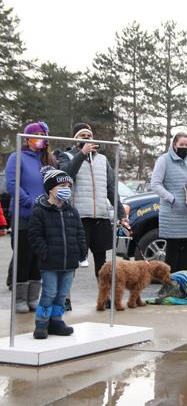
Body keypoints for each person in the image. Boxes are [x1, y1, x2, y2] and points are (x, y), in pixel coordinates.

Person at [58, 123, 128, 278]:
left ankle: (104, 298)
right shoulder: (66, 156)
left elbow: (111, 188)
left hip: (100, 216)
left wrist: (121, 213)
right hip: (78, 216)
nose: (88, 138)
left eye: (89, 136)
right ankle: (66, 299)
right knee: (72, 260)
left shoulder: (102, 159)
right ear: (75, 139)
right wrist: (82, 154)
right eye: (83, 136)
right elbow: (65, 176)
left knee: (101, 262)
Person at [28, 167, 87, 339]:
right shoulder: (40, 211)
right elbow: (35, 236)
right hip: (50, 263)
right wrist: (45, 253)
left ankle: (56, 320)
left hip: (69, 262)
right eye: (62, 186)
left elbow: (80, 233)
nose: (66, 189)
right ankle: (41, 323)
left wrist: (81, 250)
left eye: (69, 185)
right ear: (51, 188)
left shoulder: (72, 211)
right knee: (49, 293)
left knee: (62, 295)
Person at [4, 121, 55, 313]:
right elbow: (12, 184)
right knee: (23, 256)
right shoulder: (17, 157)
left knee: (38, 256)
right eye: (37, 135)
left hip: (44, 215)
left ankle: (34, 296)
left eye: (43, 135)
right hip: (25, 214)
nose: (40, 139)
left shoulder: (47, 159)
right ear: (27, 138)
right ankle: (19, 298)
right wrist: (30, 202)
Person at [150, 133, 187, 273]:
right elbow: (155, 184)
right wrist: (171, 198)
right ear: (174, 145)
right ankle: (169, 286)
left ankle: (184, 289)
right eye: (181, 145)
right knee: (173, 256)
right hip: (172, 216)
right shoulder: (164, 160)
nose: (184, 147)